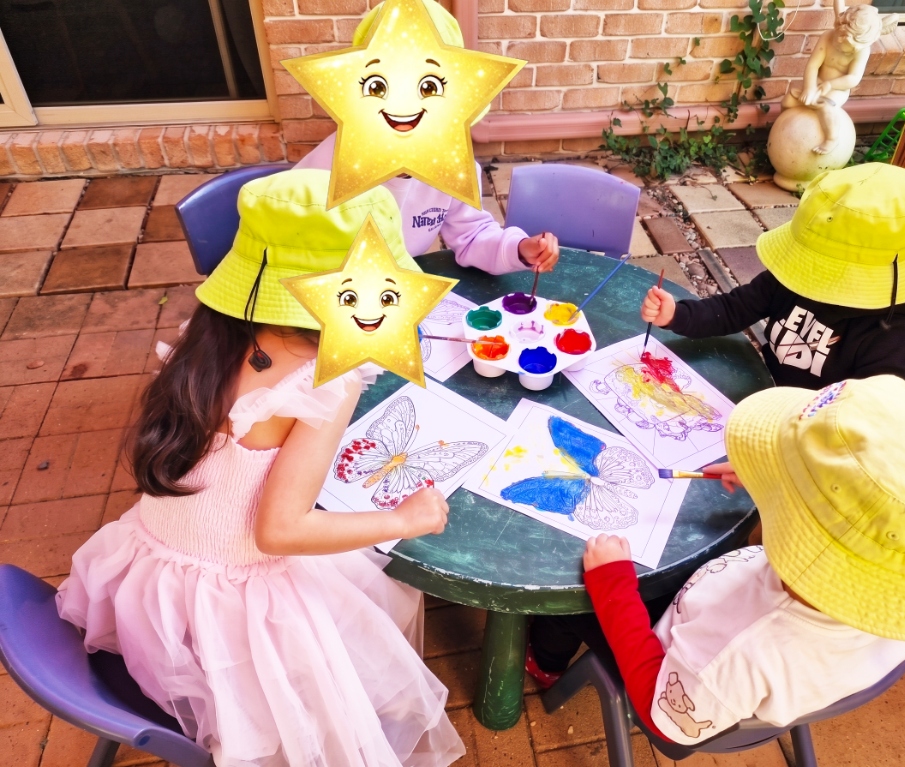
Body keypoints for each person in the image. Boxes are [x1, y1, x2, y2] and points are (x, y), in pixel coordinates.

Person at [56, 168, 465, 767]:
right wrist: (405, 518)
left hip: (151, 587)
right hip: (233, 617)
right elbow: (280, 532)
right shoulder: (329, 376)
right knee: (365, 609)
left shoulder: (207, 336)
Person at [530, 376, 905, 752]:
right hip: (734, 641)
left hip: (669, 680)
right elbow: (857, 525)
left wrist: (612, 586)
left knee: (562, 597)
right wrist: (769, 478)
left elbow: (667, 722)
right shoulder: (903, 601)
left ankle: (545, 665)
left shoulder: (741, 651)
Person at [294, 0, 559, 276]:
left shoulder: (451, 164)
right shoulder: (326, 167)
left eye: (429, 87)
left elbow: (472, 234)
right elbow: (289, 238)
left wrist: (519, 249)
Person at [640, 163, 905, 389]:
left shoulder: (889, 338)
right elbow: (734, 309)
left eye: (827, 267)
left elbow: (860, 425)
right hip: (761, 389)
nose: (812, 275)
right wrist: (677, 314)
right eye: (814, 261)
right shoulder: (793, 279)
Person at [781, 0, 899, 154]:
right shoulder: (828, 36)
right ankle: (783, 127)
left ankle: (832, 139)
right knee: (788, 101)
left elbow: (853, 79)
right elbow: (813, 66)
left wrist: (830, 85)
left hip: (838, 88)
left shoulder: (862, 51)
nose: (839, 41)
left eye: (846, 43)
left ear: (859, 44)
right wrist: (809, 88)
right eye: (839, 36)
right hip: (817, 81)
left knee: (825, 108)